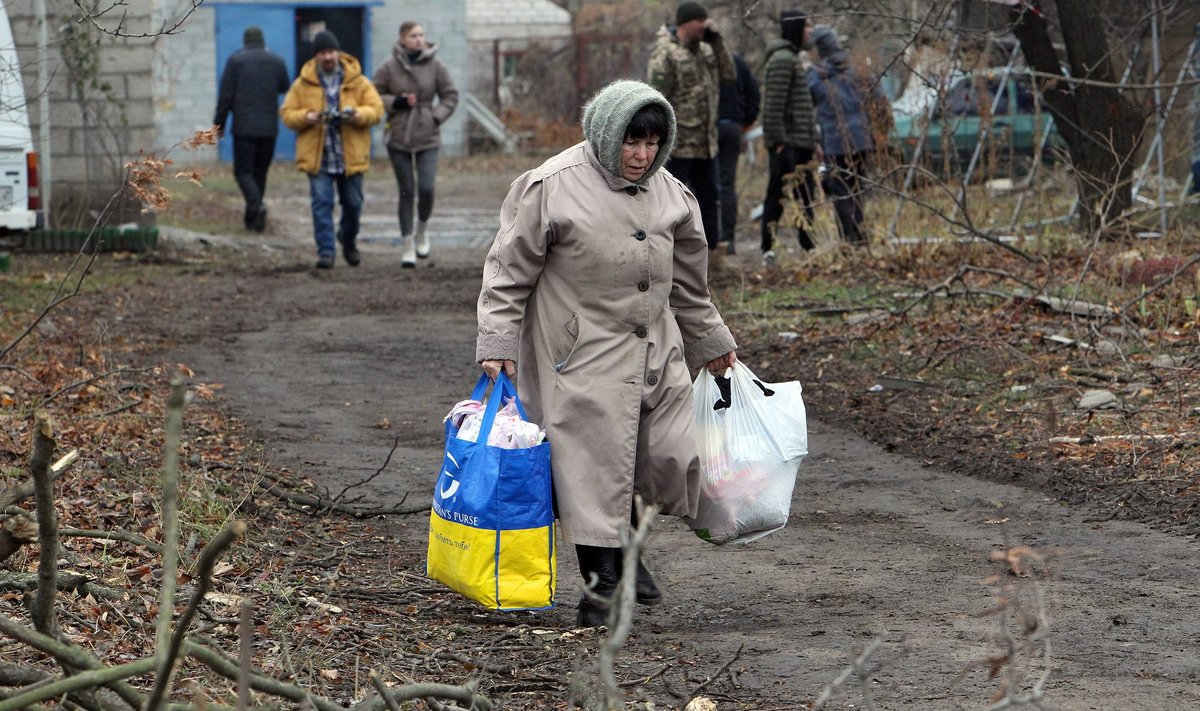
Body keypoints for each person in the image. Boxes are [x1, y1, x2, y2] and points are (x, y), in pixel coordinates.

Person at [475, 80, 738, 628]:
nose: (642, 155)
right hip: (580, 351)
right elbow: (507, 272)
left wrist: (712, 343)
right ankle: (599, 589)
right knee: (591, 470)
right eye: (631, 142)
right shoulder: (551, 186)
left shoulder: (673, 195)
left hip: (656, 350)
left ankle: (630, 551)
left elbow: (690, 285)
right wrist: (497, 341)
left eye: (652, 142)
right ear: (605, 133)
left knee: (668, 454)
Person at [280, 30, 383, 269]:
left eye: (331, 52)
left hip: (351, 154)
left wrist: (357, 114)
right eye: (323, 53)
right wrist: (308, 116)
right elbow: (286, 114)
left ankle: (347, 241)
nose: (328, 57)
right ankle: (326, 251)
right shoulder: (302, 84)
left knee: (354, 204)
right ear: (316, 56)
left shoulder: (358, 80)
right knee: (321, 203)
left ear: (338, 53)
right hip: (319, 156)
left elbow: (376, 109)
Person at [647, 1, 734, 257]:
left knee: (708, 198)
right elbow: (657, 97)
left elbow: (728, 75)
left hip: (706, 143)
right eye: (700, 21)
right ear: (686, 23)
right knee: (671, 200)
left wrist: (717, 42)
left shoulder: (707, 50)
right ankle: (666, 252)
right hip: (679, 143)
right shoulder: (666, 53)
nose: (704, 25)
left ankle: (709, 252)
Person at [372, 21, 460, 267]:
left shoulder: (435, 65)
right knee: (406, 190)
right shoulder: (389, 67)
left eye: (422, 35)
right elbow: (372, 94)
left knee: (427, 188)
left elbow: (451, 95)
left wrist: (435, 116)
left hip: (427, 135)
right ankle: (407, 244)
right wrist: (396, 102)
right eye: (413, 35)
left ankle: (422, 228)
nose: (419, 39)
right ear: (402, 39)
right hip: (398, 136)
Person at [809, 26, 882, 246]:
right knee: (858, 186)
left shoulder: (815, 75)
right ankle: (859, 233)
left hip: (834, 141)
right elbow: (878, 99)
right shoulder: (858, 69)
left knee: (840, 188)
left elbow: (804, 104)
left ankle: (848, 237)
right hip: (862, 138)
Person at [213, 26, 290, 233]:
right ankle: (254, 220)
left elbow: (225, 97)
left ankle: (256, 205)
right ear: (263, 41)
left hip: (244, 129)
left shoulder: (235, 61)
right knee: (260, 172)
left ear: (245, 42)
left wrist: (218, 125)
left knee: (243, 172)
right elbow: (285, 87)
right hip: (269, 129)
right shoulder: (277, 61)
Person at [760, 9, 820, 265]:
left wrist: (813, 142)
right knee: (778, 196)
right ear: (796, 29)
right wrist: (779, 142)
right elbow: (773, 105)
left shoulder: (793, 58)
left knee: (805, 196)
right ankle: (768, 249)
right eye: (807, 26)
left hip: (802, 142)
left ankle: (808, 246)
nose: (810, 31)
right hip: (788, 145)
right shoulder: (783, 59)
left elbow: (801, 106)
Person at [716, 52, 760, 254]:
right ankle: (729, 238)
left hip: (705, 130)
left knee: (704, 184)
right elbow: (754, 93)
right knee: (727, 183)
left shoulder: (697, 59)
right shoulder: (737, 62)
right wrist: (746, 122)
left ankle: (710, 238)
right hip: (732, 128)